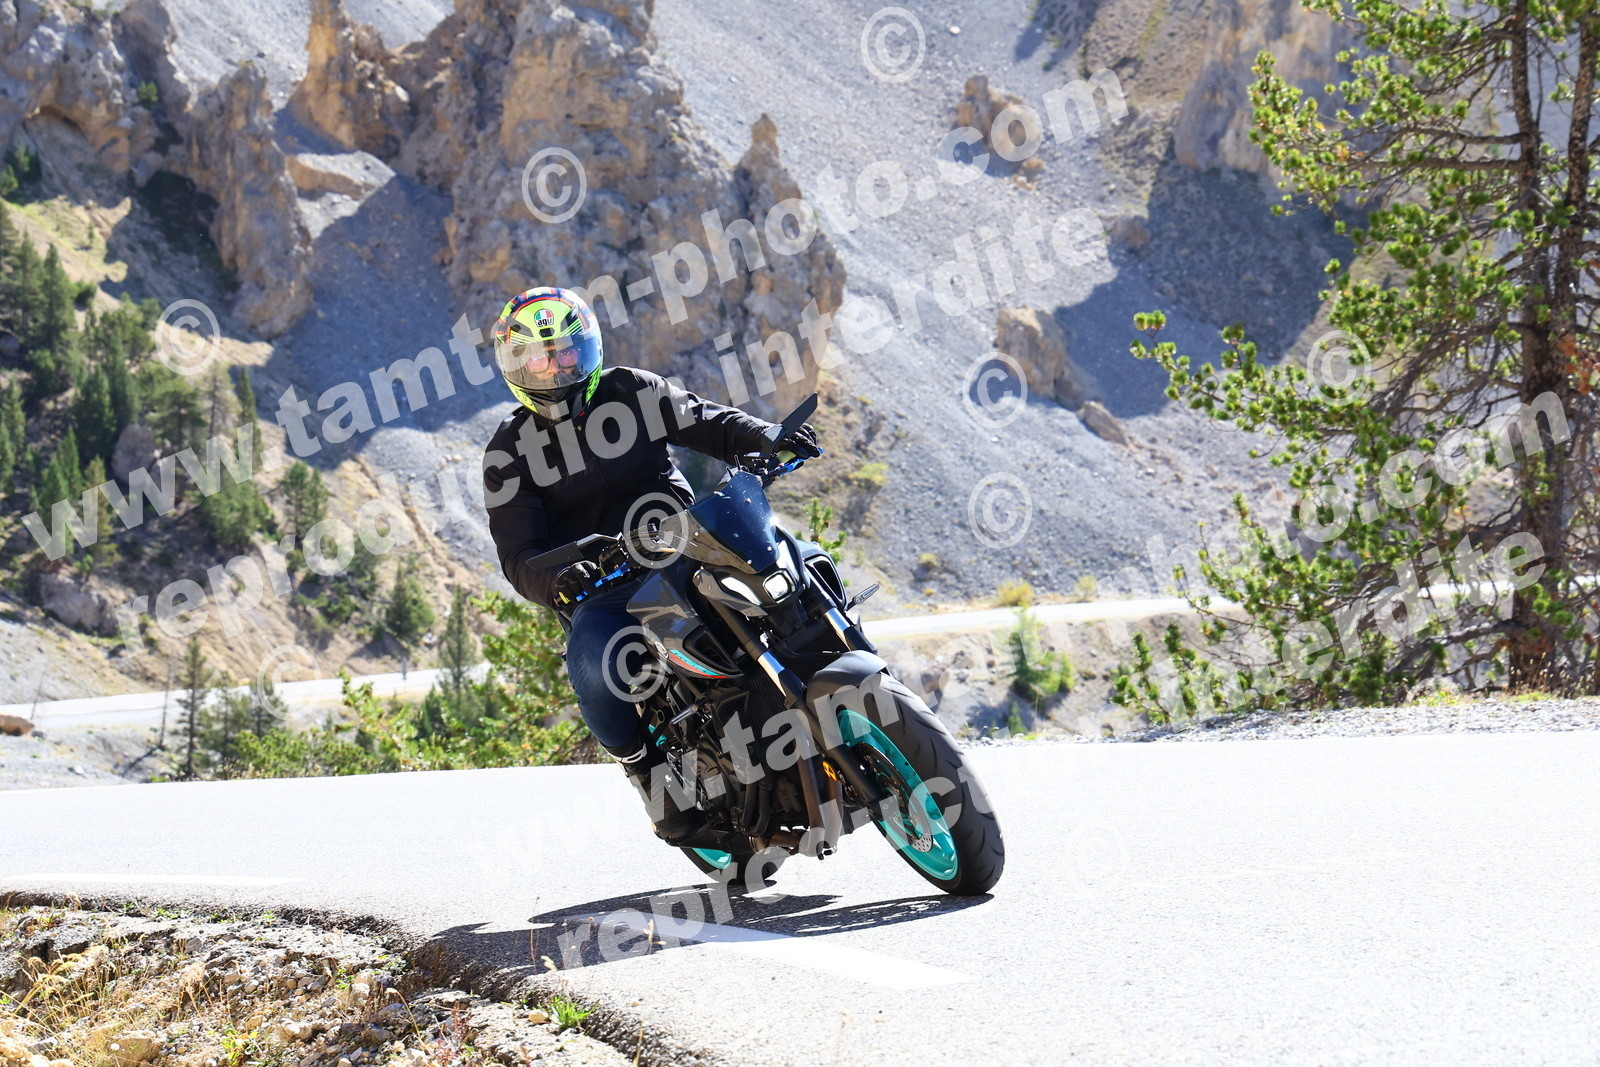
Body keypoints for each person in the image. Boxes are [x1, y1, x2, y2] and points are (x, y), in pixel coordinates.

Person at [481, 286, 820, 842]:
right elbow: (519, 556)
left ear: (588, 349)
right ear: (516, 367)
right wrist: (560, 577)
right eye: (539, 359)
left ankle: (837, 666)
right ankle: (646, 773)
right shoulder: (509, 452)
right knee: (595, 658)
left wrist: (767, 438)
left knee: (797, 560)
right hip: (605, 583)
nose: (556, 368)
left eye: (566, 351)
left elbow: (708, 422)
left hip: (689, 542)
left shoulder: (632, 389)